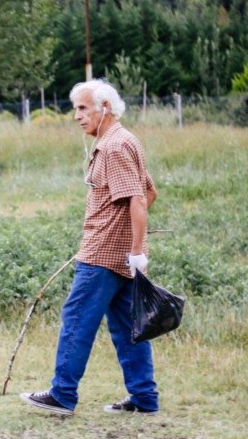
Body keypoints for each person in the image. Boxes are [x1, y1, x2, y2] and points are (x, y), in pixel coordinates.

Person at [20, 78, 159, 417]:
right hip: (119, 256)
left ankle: (62, 395)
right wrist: (127, 240)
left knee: (76, 318)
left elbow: (138, 199)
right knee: (128, 328)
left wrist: (134, 247)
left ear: (104, 108)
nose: (76, 116)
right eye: (76, 109)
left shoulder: (113, 147)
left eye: (83, 108)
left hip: (102, 256)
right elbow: (149, 192)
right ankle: (144, 398)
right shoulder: (125, 139)